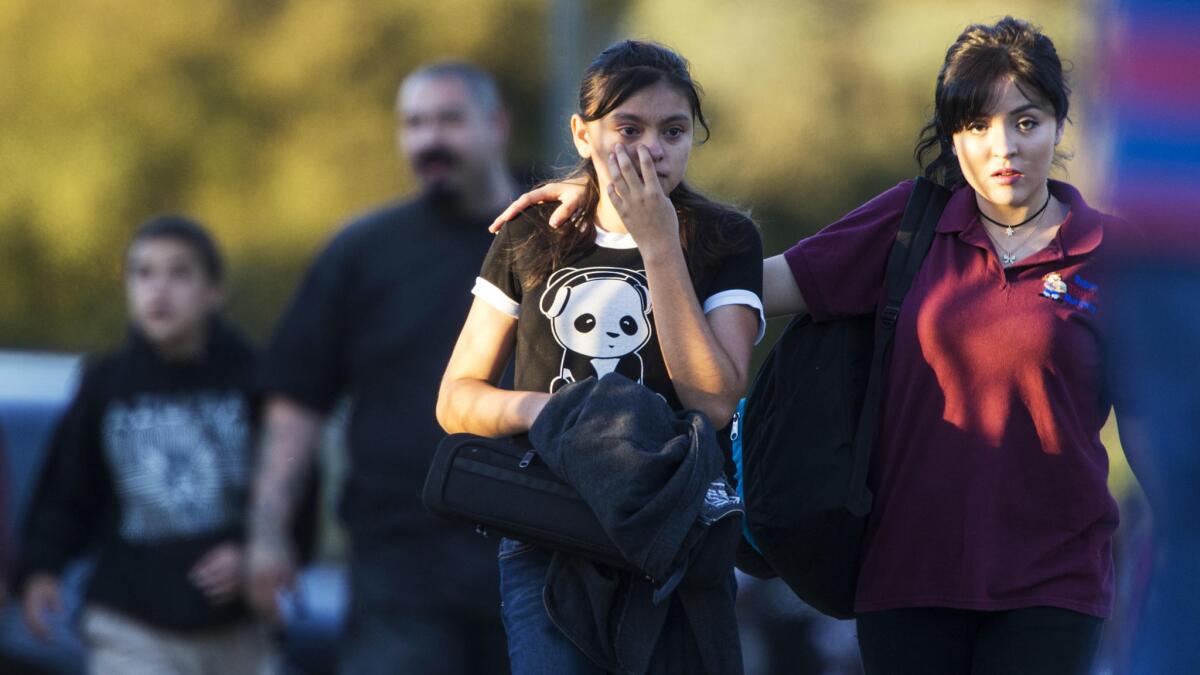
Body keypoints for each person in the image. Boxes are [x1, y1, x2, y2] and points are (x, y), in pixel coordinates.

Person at [493, 18, 1133, 675]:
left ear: (1059, 122)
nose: (1003, 147)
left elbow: (1156, 438)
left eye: (1026, 122)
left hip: (1056, 580)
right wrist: (608, 205)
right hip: (905, 577)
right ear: (952, 135)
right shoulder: (909, 222)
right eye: (976, 125)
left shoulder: (1116, 255)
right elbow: (738, 282)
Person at [437, 40, 764, 674]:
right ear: (582, 135)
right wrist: (560, 413)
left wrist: (659, 244)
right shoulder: (533, 232)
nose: (652, 149)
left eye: (673, 131)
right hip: (547, 534)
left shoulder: (725, 238)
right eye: (628, 128)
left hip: (671, 534)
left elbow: (716, 398)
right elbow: (455, 400)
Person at [245, 62, 518, 675]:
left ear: (496, 124)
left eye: (449, 120)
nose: (430, 140)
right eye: (414, 124)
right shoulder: (361, 253)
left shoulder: (551, 240)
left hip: (537, 554)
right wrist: (268, 532)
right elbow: (296, 400)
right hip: (399, 564)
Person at [14, 216, 279, 675]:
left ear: (213, 289)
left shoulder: (254, 379)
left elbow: (293, 483)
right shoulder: (106, 384)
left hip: (237, 628)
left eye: (179, 273)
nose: (159, 290)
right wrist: (41, 569)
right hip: (130, 622)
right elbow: (67, 489)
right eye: (143, 273)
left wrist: (255, 549)